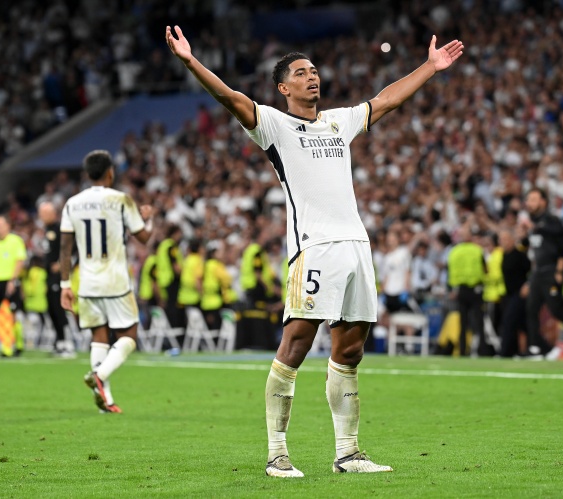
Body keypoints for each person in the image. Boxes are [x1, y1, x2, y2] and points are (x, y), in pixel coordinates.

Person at [167, 24, 463, 476]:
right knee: (297, 342)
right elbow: (230, 98)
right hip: (315, 249)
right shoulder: (273, 125)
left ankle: (348, 453)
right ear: (283, 88)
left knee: (350, 351)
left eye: (314, 71)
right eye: (301, 73)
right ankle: (277, 453)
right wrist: (191, 63)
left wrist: (429, 67)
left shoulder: (338, 121)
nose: (312, 77)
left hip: (356, 246)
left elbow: (386, 100)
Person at [59, 150, 153, 413]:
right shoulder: (121, 200)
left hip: (87, 283)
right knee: (129, 336)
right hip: (115, 282)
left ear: (87, 174)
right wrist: (148, 219)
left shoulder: (72, 203)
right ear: (110, 173)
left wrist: (65, 285)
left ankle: (105, 401)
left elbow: (65, 249)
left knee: (99, 338)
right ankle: (99, 377)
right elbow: (144, 238)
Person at [522, 188, 563, 360]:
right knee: (531, 310)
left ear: (543, 201)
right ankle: (536, 348)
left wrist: (559, 270)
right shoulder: (532, 222)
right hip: (537, 272)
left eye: (533, 199)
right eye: (528, 200)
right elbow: (532, 248)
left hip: (551, 270)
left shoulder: (551, 221)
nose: (529, 203)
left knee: (557, 310)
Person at [38, 201, 73, 357]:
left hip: (59, 277)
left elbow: (72, 246)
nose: (42, 216)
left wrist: (61, 263)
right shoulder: (47, 230)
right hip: (48, 276)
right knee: (51, 309)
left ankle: (68, 343)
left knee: (59, 309)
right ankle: (59, 342)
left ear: (53, 213)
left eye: (45, 213)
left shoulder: (60, 228)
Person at [0, 215, 27, 357]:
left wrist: (13, 280)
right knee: (0, 315)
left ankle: (17, 343)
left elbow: (20, 261)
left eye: (0, 225)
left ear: (7, 226)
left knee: (12, 314)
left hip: (10, 280)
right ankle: (7, 345)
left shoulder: (15, 241)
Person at [447, 227, 485, 357]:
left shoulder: (454, 251)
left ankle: (463, 350)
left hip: (461, 289)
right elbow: (484, 269)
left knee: (462, 322)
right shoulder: (477, 250)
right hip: (475, 288)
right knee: (479, 321)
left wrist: (452, 288)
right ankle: (482, 350)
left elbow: (450, 271)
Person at [498, 230, 531, 358]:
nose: (503, 242)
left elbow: (531, 270)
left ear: (512, 240)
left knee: (508, 321)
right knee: (522, 324)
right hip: (508, 294)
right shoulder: (504, 255)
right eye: (501, 240)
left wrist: (528, 285)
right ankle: (522, 350)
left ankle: (505, 353)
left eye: (506, 239)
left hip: (519, 293)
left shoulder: (519, 255)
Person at [156, 225, 184, 329]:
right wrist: (183, 274)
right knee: (173, 307)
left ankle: (167, 330)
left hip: (162, 280)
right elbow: (175, 264)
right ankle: (174, 330)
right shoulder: (171, 246)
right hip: (171, 280)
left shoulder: (163, 245)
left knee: (167, 306)